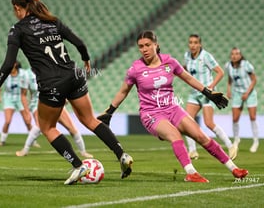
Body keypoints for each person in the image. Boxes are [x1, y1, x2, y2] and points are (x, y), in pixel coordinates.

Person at [0, 0, 133, 185]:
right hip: (74, 75)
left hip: (52, 84)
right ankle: (121, 154)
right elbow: (79, 43)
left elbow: (8, 63)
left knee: (47, 127)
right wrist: (86, 59)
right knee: (89, 119)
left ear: (17, 8)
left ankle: (79, 166)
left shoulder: (18, 29)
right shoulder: (52, 21)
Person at [97, 30, 248, 183]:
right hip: (151, 114)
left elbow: (188, 78)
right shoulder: (135, 69)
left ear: (156, 45)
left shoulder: (170, 62)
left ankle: (234, 168)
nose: (144, 49)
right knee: (175, 135)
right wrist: (110, 111)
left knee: (201, 136)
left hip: (173, 109)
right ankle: (191, 173)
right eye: (141, 46)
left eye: (148, 45)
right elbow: (123, 91)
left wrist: (208, 93)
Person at [16, 69, 93, 158]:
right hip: (38, 103)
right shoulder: (27, 75)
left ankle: (83, 152)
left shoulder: (50, 71)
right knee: (39, 125)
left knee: (72, 128)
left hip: (55, 102)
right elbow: (23, 94)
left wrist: (64, 97)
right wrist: (26, 111)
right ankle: (25, 150)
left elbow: (61, 86)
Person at [183, 34, 237, 160]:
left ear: (200, 44)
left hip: (207, 94)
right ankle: (192, 151)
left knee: (209, 123)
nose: (193, 45)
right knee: (186, 121)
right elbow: (186, 69)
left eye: (195, 42)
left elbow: (220, 72)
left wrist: (211, 86)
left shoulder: (205, 56)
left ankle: (231, 146)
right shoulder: (187, 56)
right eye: (190, 42)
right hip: (194, 94)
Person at [0, 61, 39, 147]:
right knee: (7, 121)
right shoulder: (6, 74)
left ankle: (33, 141)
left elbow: (27, 86)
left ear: (15, 65)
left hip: (20, 98)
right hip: (9, 98)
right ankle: (2, 140)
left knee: (27, 120)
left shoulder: (23, 73)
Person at [225, 47, 259, 153]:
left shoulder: (246, 65)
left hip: (250, 92)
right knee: (235, 118)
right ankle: (236, 139)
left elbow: (254, 80)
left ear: (240, 55)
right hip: (237, 93)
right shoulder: (228, 66)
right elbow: (230, 79)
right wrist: (229, 90)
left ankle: (255, 141)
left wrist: (247, 93)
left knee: (252, 117)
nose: (234, 56)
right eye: (233, 54)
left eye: (237, 54)